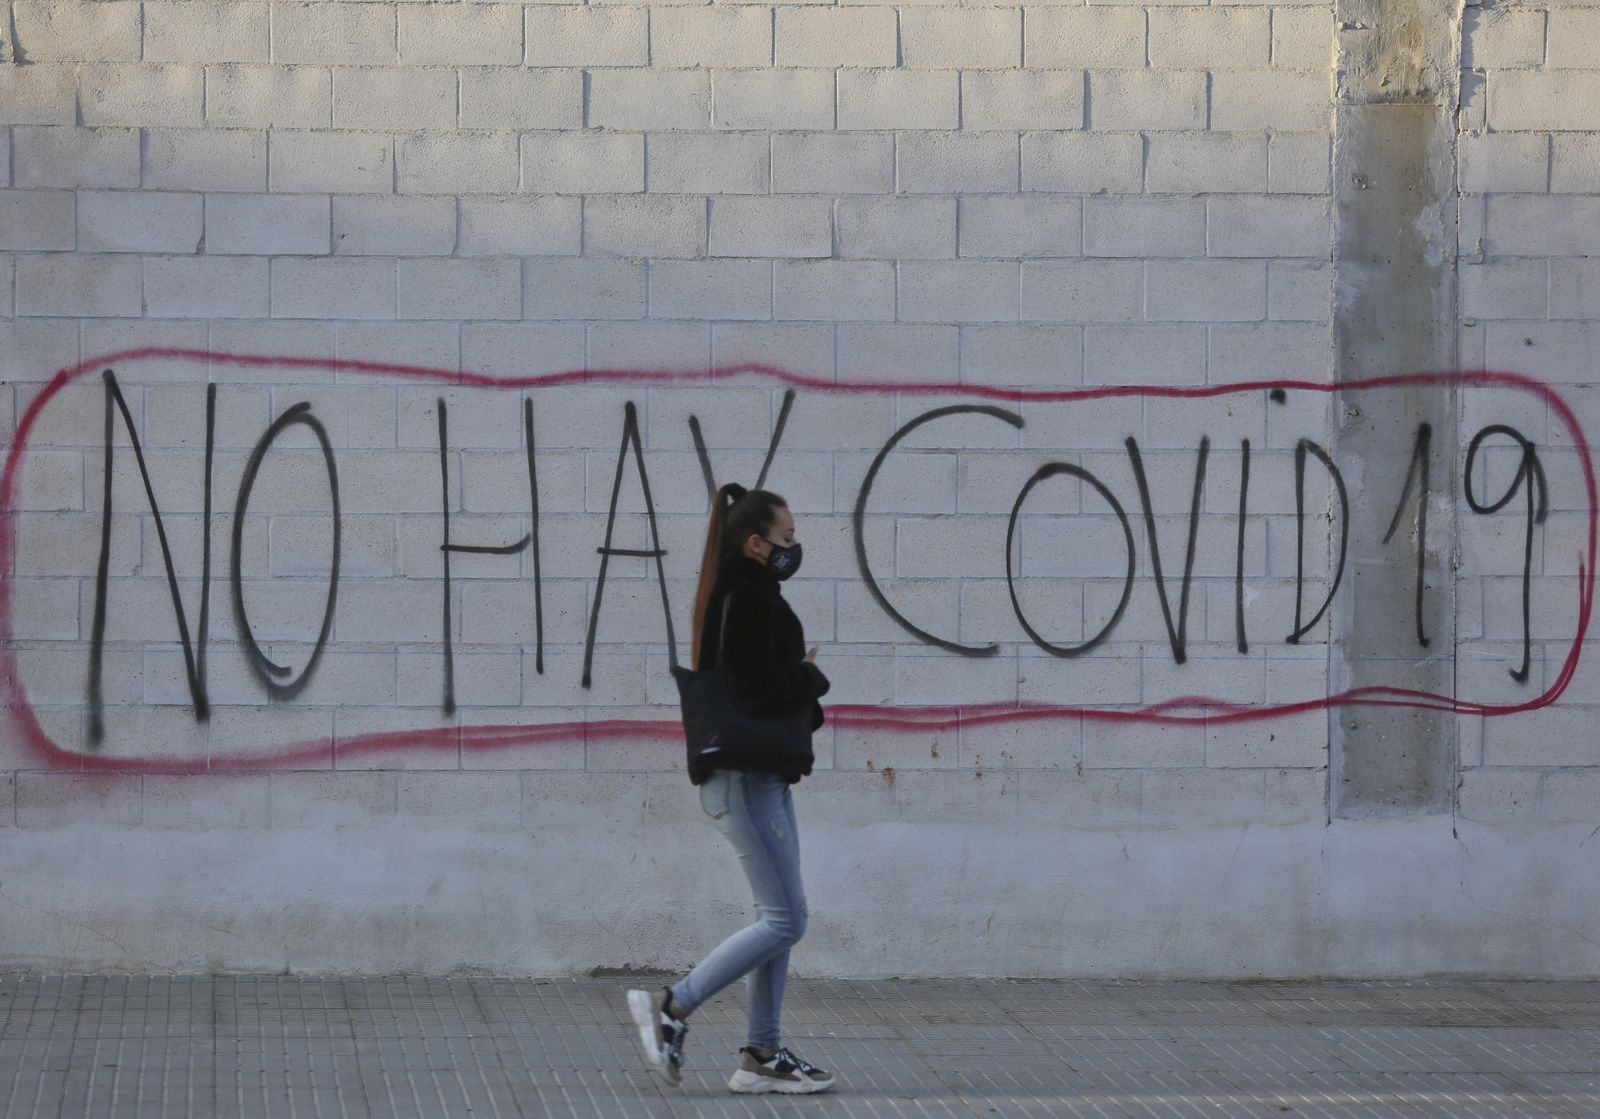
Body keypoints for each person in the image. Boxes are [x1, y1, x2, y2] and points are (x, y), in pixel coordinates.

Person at [626, 483, 837, 1095]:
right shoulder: (748, 598)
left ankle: (763, 1055)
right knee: (784, 921)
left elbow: (764, 694)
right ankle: (672, 1008)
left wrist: (800, 684)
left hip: (762, 779)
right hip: (746, 783)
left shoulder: (744, 594)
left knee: (781, 916)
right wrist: (808, 676)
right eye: (788, 538)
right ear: (756, 542)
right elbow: (757, 691)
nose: (794, 548)